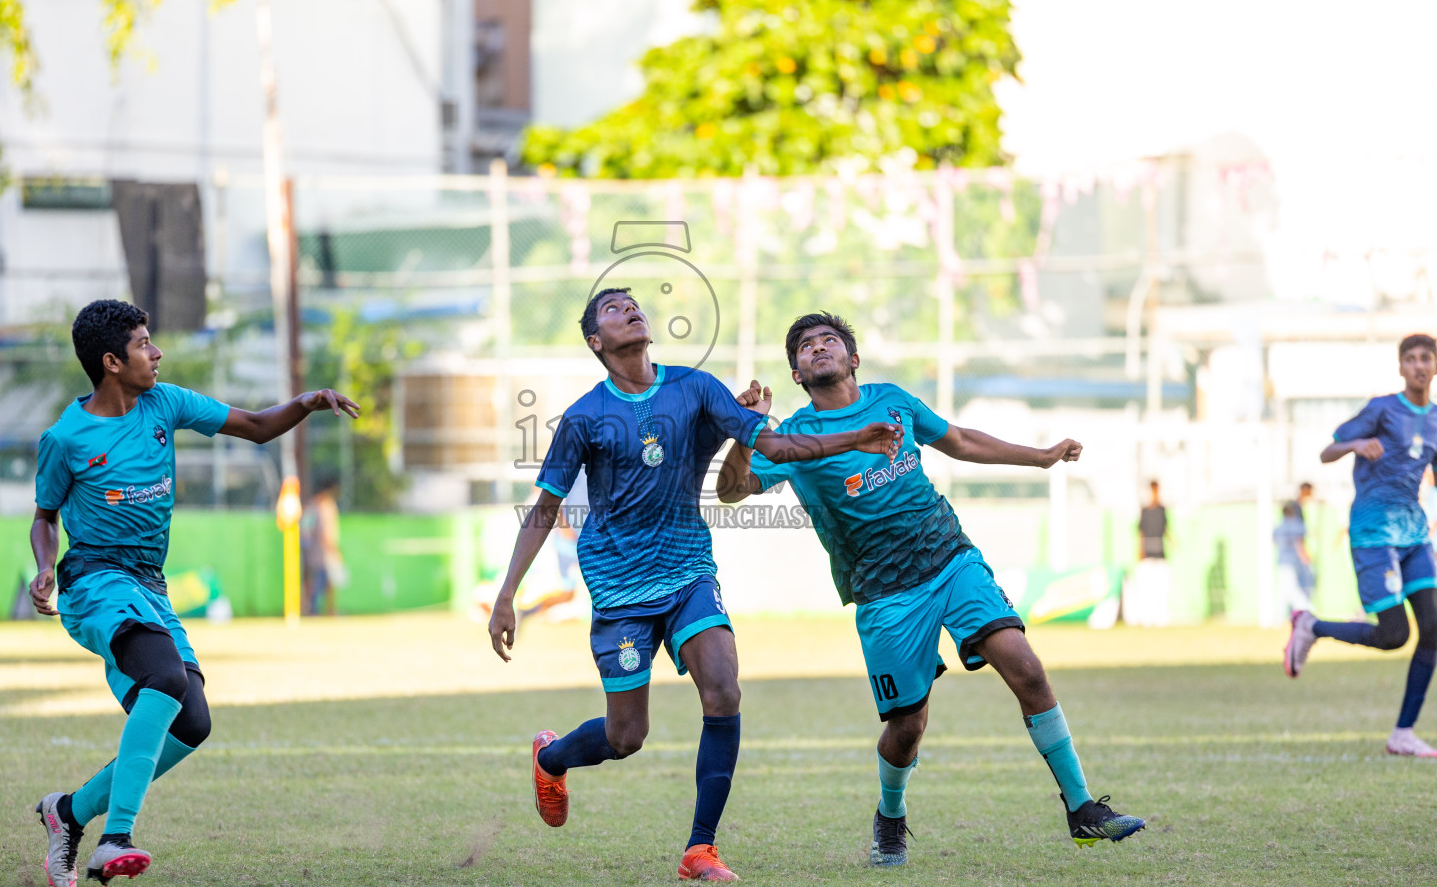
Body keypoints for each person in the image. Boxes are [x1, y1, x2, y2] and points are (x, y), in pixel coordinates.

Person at [486, 288, 902, 882]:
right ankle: (551, 758)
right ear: (595, 342)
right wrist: (508, 596)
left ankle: (699, 850)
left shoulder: (696, 388)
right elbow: (545, 507)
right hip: (619, 588)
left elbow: (773, 444)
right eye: (612, 308)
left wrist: (852, 437)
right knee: (627, 735)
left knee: (724, 689)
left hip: (688, 571)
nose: (629, 308)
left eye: (633, 302)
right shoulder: (583, 417)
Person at [715, 312, 1144, 867]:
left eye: (829, 341)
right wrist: (746, 433)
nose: (818, 348)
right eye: (804, 346)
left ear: (853, 358)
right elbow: (732, 492)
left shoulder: (893, 399)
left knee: (1027, 668)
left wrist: (1038, 456)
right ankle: (890, 816)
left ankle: (1082, 808)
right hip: (883, 592)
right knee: (907, 727)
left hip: (948, 556)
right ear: (796, 372)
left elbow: (960, 441)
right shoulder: (795, 436)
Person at [29, 300, 358, 884]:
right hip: (95, 580)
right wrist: (44, 566)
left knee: (192, 723)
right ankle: (116, 839)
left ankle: (68, 813)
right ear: (111, 362)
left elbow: (256, 427)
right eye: (143, 344)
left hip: (148, 584)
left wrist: (306, 404)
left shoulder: (166, 402)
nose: (156, 353)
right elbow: (44, 517)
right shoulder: (66, 438)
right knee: (165, 678)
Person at [1284, 333, 1437, 758]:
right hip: (1373, 535)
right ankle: (1311, 626)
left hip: (1415, 536)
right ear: (1401, 367)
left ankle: (1403, 733)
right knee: (1393, 636)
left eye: (1427, 358)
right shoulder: (1383, 408)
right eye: (1411, 359)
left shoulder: (1436, 419)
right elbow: (1327, 451)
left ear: (1435, 366)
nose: (1419, 365)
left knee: (1433, 628)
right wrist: (1355, 444)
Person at [1124, 481, 1171, 627]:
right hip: (1147, 555)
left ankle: (1160, 618)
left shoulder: (1162, 510)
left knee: (1161, 588)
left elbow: (1165, 528)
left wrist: (1172, 540)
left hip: (1160, 554)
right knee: (1146, 588)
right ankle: (1146, 618)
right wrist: (1140, 551)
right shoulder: (1144, 511)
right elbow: (1141, 532)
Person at [301, 476, 346, 616]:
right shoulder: (325, 506)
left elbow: (304, 530)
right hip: (323, 552)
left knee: (317, 583)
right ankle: (325, 610)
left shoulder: (312, 504)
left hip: (313, 552)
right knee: (324, 584)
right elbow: (325, 532)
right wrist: (333, 549)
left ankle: (317, 610)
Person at [1274, 501, 1314, 614]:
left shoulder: (1279, 527)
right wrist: (1306, 558)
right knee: (1289, 590)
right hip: (1295, 561)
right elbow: (1299, 544)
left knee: (1289, 588)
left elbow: (1275, 541)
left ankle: (1306, 610)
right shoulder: (1297, 525)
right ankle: (1306, 610)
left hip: (1283, 561)